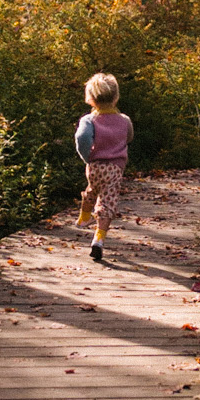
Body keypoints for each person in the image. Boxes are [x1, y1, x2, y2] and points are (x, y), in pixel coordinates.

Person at [74, 72, 133, 263]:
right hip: (115, 168)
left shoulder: (89, 120)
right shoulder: (124, 120)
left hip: (95, 165)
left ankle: (84, 217)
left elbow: (82, 138)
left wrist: (87, 157)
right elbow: (129, 137)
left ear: (90, 99)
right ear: (116, 97)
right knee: (107, 202)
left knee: (92, 190)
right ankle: (98, 240)